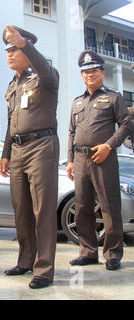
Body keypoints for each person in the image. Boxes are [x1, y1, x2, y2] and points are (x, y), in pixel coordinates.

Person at [0, 25, 59, 289]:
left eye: (15, 49)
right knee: (21, 209)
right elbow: (12, 121)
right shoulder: (14, 84)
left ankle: (44, 269)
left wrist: (25, 44)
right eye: (8, 50)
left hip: (42, 146)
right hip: (19, 150)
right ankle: (25, 261)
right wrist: (5, 154)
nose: (10, 54)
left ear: (27, 48)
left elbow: (45, 70)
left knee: (42, 210)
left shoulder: (45, 75)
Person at [67, 50, 132, 271]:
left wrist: (109, 145)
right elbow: (71, 133)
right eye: (85, 72)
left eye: (94, 71)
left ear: (102, 73)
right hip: (81, 159)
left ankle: (113, 254)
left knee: (109, 206)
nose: (89, 75)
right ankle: (88, 252)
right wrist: (70, 160)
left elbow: (126, 124)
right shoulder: (77, 103)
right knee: (83, 207)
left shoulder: (114, 98)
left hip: (103, 158)